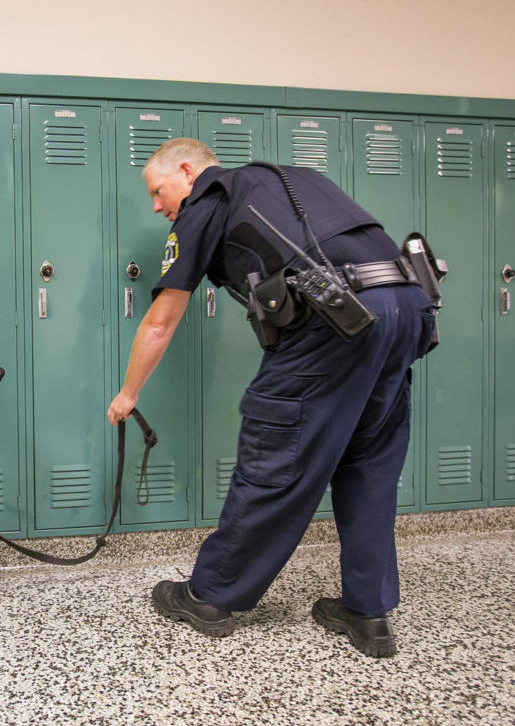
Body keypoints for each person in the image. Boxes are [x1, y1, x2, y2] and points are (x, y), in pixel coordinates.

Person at [107, 138, 435, 657]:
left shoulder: (208, 199)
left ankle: (210, 596)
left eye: (157, 190)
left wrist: (128, 393)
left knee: (275, 459)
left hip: (335, 321)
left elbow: (160, 322)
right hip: (408, 310)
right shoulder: (296, 177)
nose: (155, 205)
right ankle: (367, 611)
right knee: (369, 465)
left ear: (188, 172)